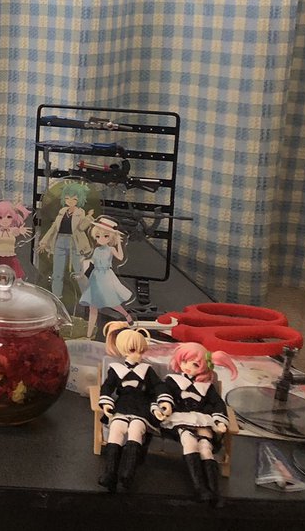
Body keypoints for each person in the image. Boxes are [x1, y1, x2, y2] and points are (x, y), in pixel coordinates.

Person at [154, 342, 238, 505]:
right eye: (184, 361)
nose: (187, 367)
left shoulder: (206, 387)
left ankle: (215, 491)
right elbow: (162, 392)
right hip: (180, 419)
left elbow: (218, 404)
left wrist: (220, 421)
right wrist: (165, 405)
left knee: (206, 448)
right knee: (189, 442)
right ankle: (200, 488)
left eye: (194, 364)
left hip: (202, 420)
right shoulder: (173, 381)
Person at [96, 322, 160, 492]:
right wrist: (106, 403)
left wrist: (163, 403)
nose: (137, 355)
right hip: (122, 405)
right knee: (116, 429)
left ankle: (128, 475)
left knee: (135, 430)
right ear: (124, 350)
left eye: (141, 351)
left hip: (141, 407)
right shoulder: (116, 369)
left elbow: (158, 387)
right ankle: (110, 474)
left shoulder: (147, 370)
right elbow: (107, 387)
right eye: (133, 350)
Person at [36, 181, 94, 299]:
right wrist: (44, 242)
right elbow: (54, 228)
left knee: (78, 271)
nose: (70, 201)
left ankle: (87, 295)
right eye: (67, 198)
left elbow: (82, 227)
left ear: (79, 200)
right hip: (60, 241)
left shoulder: (80, 212)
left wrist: (88, 218)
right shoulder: (62, 212)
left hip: (75, 242)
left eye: (74, 199)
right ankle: (56, 296)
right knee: (57, 272)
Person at [78, 216, 134, 337]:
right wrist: (83, 264)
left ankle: (126, 315)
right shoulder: (96, 250)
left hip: (106, 277)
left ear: (111, 237)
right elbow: (92, 262)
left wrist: (119, 244)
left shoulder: (111, 249)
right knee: (93, 306)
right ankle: (89, 334)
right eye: (98, 236)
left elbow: (120, 257)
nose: (101, 239)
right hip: (95, 277)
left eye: (106, 236)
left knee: (112, 302)